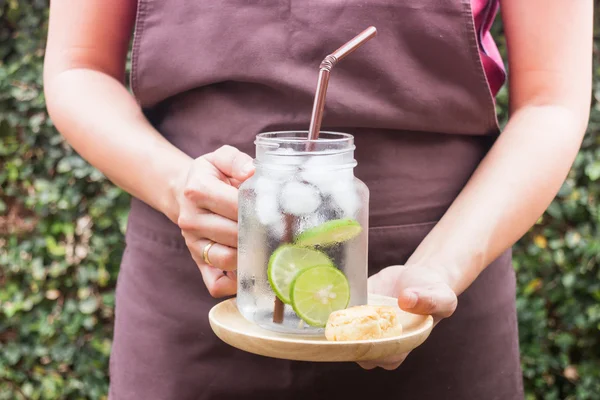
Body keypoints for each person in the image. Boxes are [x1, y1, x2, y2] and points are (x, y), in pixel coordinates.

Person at [43, 0, 592, 399]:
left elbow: (551, 101)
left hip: (435, 290)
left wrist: (440, 268)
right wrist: (176, 185)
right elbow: (78, 66)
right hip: (202, 284)